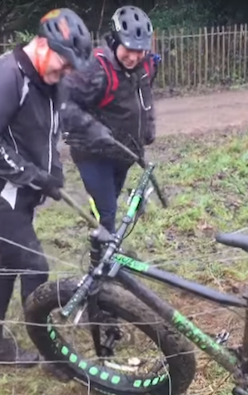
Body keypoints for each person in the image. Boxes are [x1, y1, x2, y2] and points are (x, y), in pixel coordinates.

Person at [0, 8, 110, 370]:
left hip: (18, 187)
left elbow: (49, 130)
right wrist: (34, 175)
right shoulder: (4, 76)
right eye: (63, 62)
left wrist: (51, 172)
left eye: (71, 67)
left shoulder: (49, 81)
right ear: (42, 44)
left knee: (7, 264)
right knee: (34, 266)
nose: (66, 72)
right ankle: (51, 353)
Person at [61, 5, 159, 234]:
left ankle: (104, 248)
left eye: (140, 50)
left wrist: (148, 127)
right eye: (129, 49)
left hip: (124, 152)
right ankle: (100, 265)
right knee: (106, 216)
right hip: (93, 153)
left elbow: (145, 99)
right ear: (115, 41)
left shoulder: (145, 66)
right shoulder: (94, 69)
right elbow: (63, 104)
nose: (134, 56)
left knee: (110, 204)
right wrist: (93, 129)